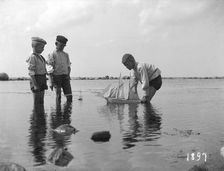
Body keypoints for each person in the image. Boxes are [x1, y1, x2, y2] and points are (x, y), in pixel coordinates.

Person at [47, 35, 72, 103]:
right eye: (61, 45)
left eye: (64, 46)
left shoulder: (66, 55)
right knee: (58, 96)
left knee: (69, 96)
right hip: (56, 77)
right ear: (56, 44)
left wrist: (68, 75)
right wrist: (51, 82)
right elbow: (49, 69)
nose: (62, 47)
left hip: (65, 77)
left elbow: (68, 66)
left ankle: (67, 112)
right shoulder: (52, 54)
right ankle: (58, 112)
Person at [26, 37, 48, 105]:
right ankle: (35, 114)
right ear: (34, 46)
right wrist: (35, 84)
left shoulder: (41, 57)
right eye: (41, 47)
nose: (43, 49)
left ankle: (41, 114)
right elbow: (31, 72)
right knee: (37, 101)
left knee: (41, 101)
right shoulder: (32, 57)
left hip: (42, 79)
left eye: (43, 47)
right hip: (36, 79)